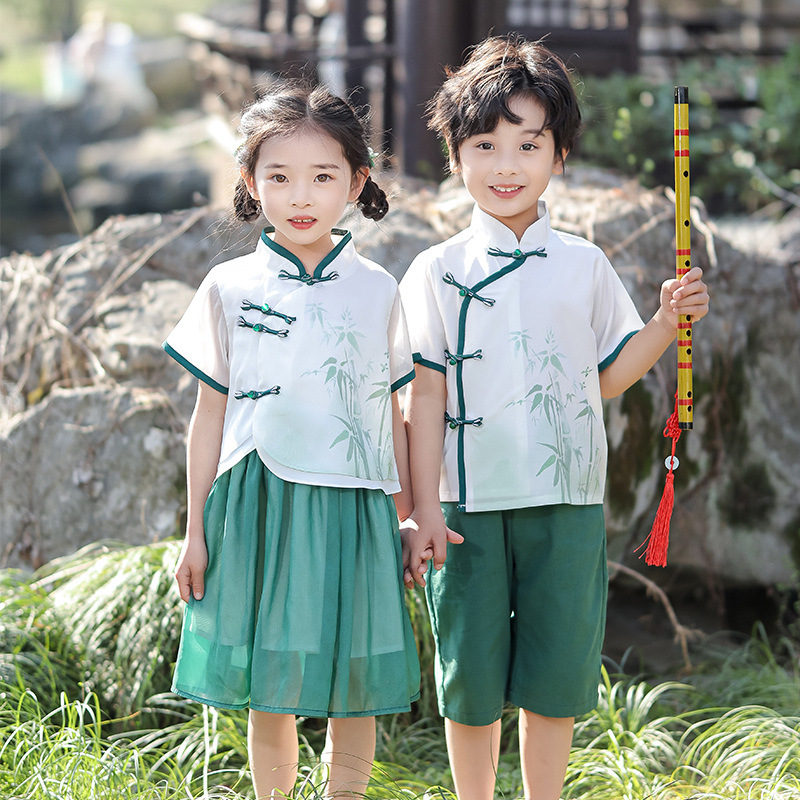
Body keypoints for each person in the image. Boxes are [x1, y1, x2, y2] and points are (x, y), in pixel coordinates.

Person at [399, 36, 709, 800]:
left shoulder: (585, 265)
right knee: (469, 675)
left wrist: (666, 326)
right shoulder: (434, 272)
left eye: (528, 144)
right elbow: (423, 397)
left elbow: (605, 380)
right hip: (467, 505)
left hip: (567, 498)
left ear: (558, 155)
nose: (506, 165)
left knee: (557, 671)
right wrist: (424, 507)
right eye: (485, 144)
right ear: (455, 156)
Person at [163, 84, 420, 800]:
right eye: (277, 177)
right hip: (258, 503)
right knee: (270, 687)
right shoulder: (227, 286)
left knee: (354, 679)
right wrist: (193, 532)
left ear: (356, 181)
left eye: (322, 176)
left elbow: (396, 412)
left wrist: (407, 512)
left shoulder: (378, 291)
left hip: (354, 505)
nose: (300, 196)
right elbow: (207, 417)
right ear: (250, 182)